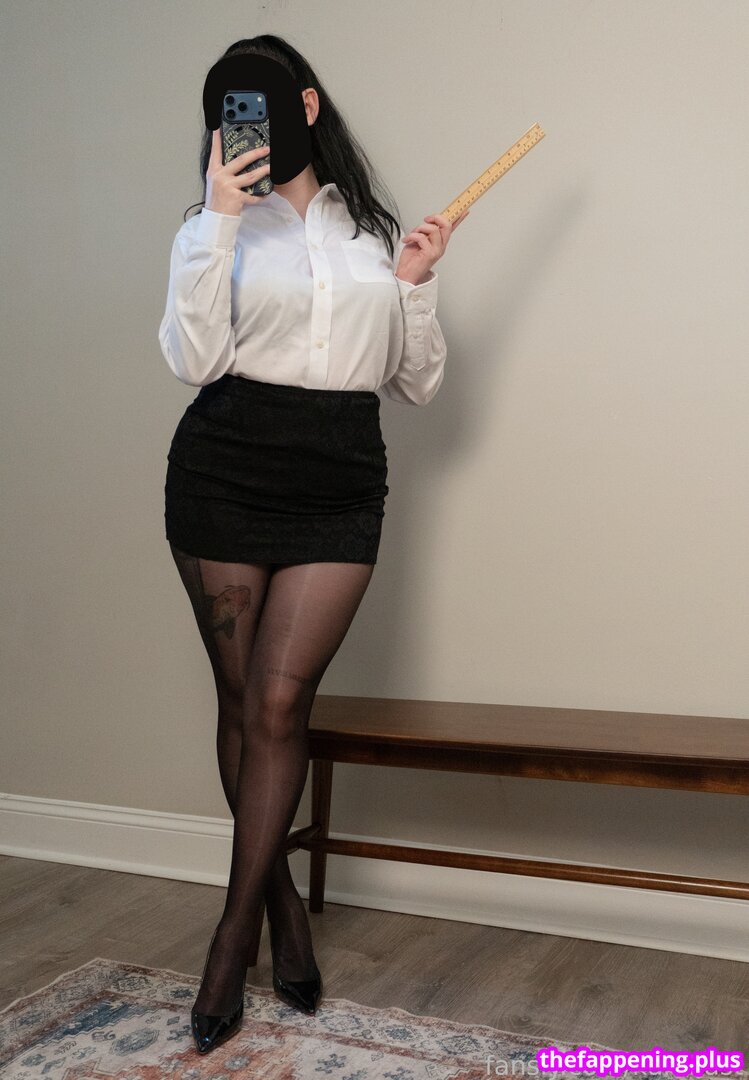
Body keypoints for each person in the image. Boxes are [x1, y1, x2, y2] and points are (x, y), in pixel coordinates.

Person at [158, 34, 467, 1056]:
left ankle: (232, 931)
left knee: (280, 703)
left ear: (304, 104)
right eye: (228, 106)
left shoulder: (368, 230)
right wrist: (219, 216)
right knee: (244, 703)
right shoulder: (209, 226)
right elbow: (192, 358)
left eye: (263, 100)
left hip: (338, 480)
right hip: (225, 469)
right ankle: (276, 912)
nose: (245, 121)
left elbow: (415, 383)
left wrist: (413, 282)